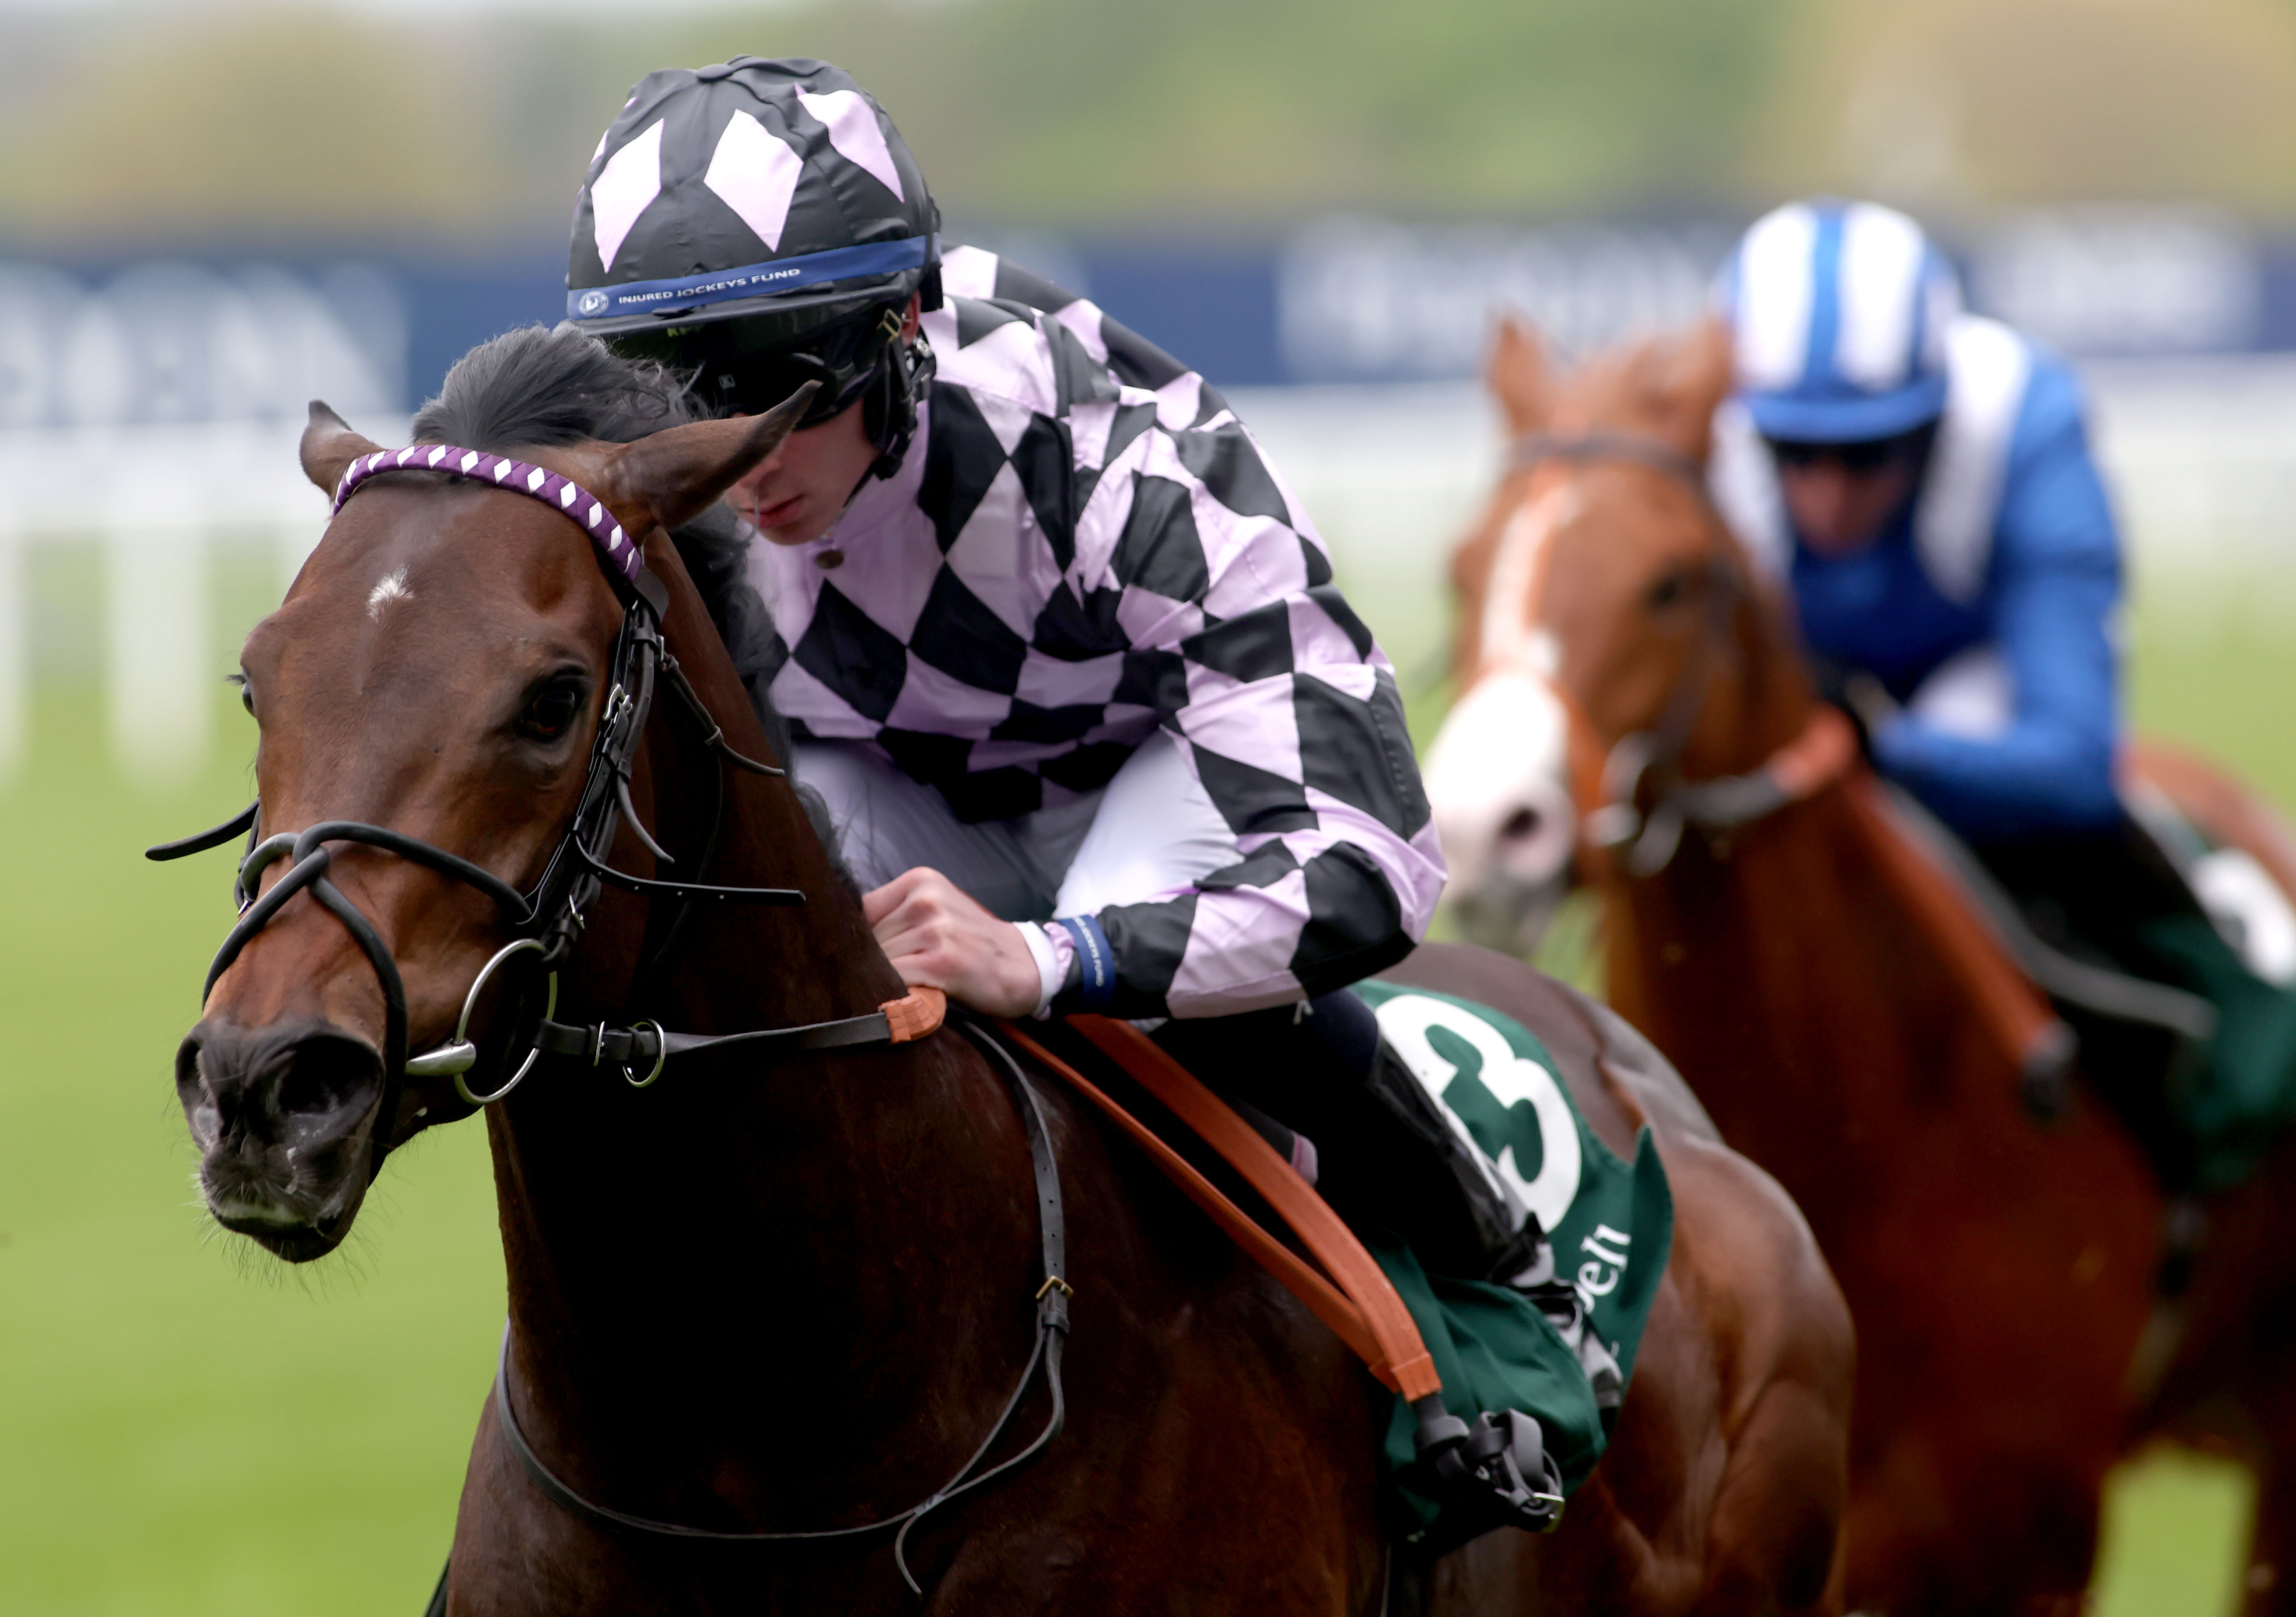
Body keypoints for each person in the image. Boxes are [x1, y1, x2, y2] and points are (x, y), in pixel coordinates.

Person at [558, 57, 1608, 1320]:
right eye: (684, 401)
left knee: (1102, 1011)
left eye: (782, 386)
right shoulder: (659, 492)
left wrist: (1061, 957)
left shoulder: (1113, 456)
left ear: (895, 328)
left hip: (1149, 770)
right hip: (889, 780)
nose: (743, 465)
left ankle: (1490, 1254)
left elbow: (1377, 864)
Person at [1710, 197, 2296, 1189]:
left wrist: (1883, 750)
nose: (1826, 496)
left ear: (1935, 416)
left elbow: (2072, 765)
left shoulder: (2023, 423)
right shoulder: (1699, 443)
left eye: (1868, 453)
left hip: (1964, 698)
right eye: (1790, 455)